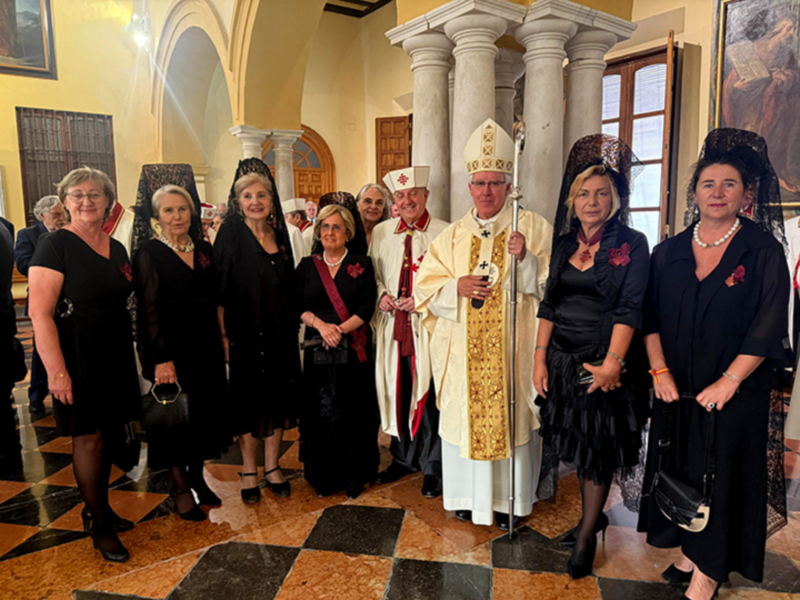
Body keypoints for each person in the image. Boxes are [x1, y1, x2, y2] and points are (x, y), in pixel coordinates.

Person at [637, 129, 790, 600]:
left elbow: (766, 327)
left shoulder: (763, 252)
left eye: (729, 184)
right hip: (677, 389)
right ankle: (689, 547)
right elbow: (650, 319)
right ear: (695, 192)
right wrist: (660, 372)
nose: (718, 192)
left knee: (721, 476)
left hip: (735, 396)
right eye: (709, 184)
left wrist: (728, 382)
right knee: (681, 468)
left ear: (746, 195)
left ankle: (709, 571)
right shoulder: (668, 252)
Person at [415, 119, 552, 530]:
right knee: (465, 422)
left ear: (509, 186)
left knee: (511, 421)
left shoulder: (534, 228)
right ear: (469, 187)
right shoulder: (452, 236)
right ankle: (468, 501)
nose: (487, 191)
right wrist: (455, 286)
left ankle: (511, 501)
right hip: (465, 357)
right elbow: (425, 288)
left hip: (513, 353)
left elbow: (553, 289)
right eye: (480, 183)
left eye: (495, 182)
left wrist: (526, 261)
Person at [533, 134, 651, 579]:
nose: (592, 201)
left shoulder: (634, 244)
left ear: (616, 200)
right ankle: (592, 517)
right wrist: (539, 358)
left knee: (598, 448)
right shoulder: (565, 244)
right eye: (583, 193)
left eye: (602, 193)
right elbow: (549, 303)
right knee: (579, 446)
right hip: (563, 361)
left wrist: (613, 365)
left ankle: (586, 535)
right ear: (572, 198)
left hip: (606, 361)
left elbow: (630, 307)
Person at [28, 167, 141, 563]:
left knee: (110, 434)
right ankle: (99, 525)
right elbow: (39, 314)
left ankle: (100, 509)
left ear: (108, 200)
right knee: (89, 438)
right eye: (77, 195)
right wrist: (57, 371)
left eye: (94, 194)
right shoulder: (54, 245)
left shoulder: (118, 248)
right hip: (77, 355)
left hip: (115, 353)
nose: (86, 201)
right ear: (65, 201)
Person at [132, 183, 232, 521]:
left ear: (192, 212)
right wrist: (162, 359)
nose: (177, 216)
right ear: (157, 217)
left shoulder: (204, 248)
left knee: (203, 417)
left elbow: (216, 298)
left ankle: (198, 479)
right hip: (171, 348)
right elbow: (148, 309)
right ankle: (179, 488)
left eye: (183, 209)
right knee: (175, 420)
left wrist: (221, 338)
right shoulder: (148, 252)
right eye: (169, 210)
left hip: (205, 345)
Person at [214, 158, 300, 504]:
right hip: (244, 335)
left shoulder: (279, 236)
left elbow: (290, 285)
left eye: (261, 195)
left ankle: (272, 467)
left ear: (271, 199)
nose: (255, 202)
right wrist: (222, 337)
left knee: (277, 400)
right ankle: (249, 469)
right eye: (247, 196)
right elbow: (218, 292)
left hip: (279, 335)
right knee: (249, 404)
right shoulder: (231, 235)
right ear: (238, 202)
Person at [370, 167, 447, 498]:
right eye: (400, 195)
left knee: (427, 395)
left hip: (428, 327)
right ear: (394, 201)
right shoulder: (383, 233)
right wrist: (381, 296)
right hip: (392, 328)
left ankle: (432, 466)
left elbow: (449, 280)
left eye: (414, 193)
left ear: (426, 196)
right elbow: (371, 276)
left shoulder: (445, 232)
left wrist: (423, 299)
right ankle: (403, 458)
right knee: (398, 389)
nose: (407, 200)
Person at [296, 204, 379, 498]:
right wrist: (321, 326)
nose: (330, 233)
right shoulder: (307, 265)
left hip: (352, 348)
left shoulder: (362, 264)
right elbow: (296, 305)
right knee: (320, 412)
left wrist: (339, 330)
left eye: (336, 227)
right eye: (325, 227)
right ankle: (324, 477)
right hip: (317, 347)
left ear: (348, 232)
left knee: (353, 411)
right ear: (318, 232)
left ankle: (354, 476)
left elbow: (367, 307)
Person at [15, 195, 66, 413]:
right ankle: (36, 395)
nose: (62, 219)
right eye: (56, 215)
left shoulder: (69, 232)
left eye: (63, 214)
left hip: (68, 300)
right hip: (42, 299)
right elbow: (23, 264)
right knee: (42, 349)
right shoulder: (28, 235)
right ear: (42, 215)